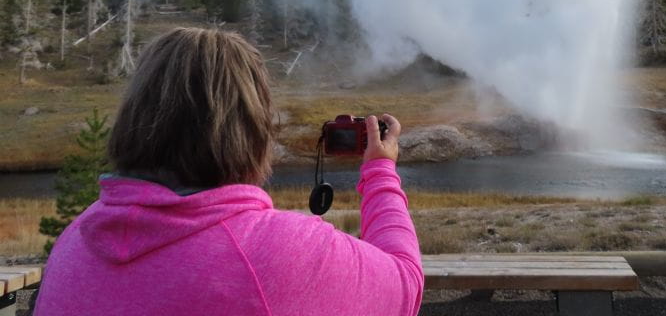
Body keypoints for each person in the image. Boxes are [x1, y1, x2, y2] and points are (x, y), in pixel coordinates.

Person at [35, 27, 423, 316]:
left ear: (133, 114)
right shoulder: (281, 252)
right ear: (252, 128)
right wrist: (380, 170)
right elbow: (405, 283)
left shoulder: (77, 239)